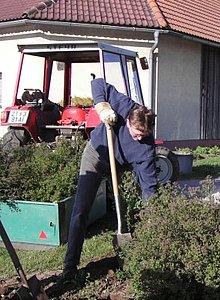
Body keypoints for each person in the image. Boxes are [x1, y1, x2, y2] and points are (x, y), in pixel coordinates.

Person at [61, 78, 158, 282]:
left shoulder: (147, 149)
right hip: (96, 155)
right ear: (129, 121)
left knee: (124, 206)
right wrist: (102, 106)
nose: (140, 138)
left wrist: (152, 211)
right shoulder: (125, 107)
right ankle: (70, 267)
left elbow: (149, 185)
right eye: (137, 133)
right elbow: (98, 84)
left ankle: (133, 251)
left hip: (119, 167)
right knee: (81, 210)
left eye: (145, 134)